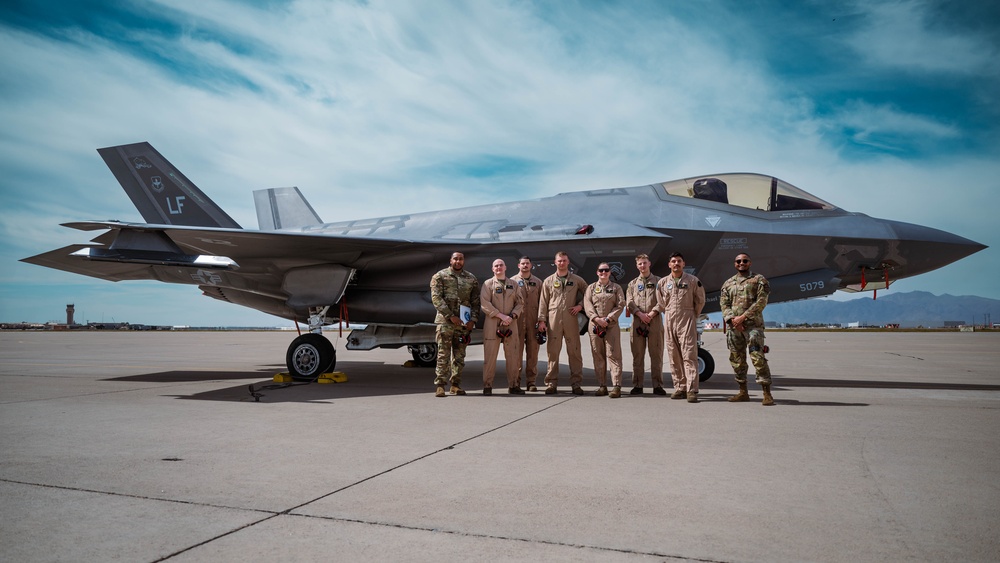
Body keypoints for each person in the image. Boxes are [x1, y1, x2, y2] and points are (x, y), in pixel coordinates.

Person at [720, 253, 774, 406]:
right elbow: (724, 304)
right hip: (734, 328)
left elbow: (761, 302)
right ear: (734, 263)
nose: (741, 263)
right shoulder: (728, 283)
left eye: (744, 261)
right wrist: (733, 320)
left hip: (753, 327)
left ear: (750, 263)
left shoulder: (759, 280)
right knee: (737, 360)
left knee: (757, 357)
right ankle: (743, 392)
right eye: (738, 261)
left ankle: (766, 393)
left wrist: (742, 318)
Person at [656, 252, 706, 403]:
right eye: (673, 261)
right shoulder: (663, 283)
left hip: (687, 319)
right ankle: (679, 388)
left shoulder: (692, 281)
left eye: (679, 261)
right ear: (669, 264)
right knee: (673, 356)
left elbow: (700, 300)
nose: (676, 264)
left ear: (684, 264)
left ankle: (691, 390)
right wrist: (670, 313)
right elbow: (661, 302)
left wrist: (692, 315)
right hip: (670, 319)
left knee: (689, 355)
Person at [537, 251, 588, 395]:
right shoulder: (548, 281)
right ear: (555, 262)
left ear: (568, 262)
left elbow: (589, 293)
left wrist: (580, 306)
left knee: (575, 352)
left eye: (564, 260)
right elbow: (543, 302)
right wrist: (541, 320)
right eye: (559, 261)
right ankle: (551, 383)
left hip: (571, 320)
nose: (562, 263)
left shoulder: (577, 280)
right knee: (552, 353)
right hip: (553, 320)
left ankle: (576, 384)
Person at [430, 252, 480, 397]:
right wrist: (450, 316)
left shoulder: (471, 278)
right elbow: (436, 298)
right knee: (443, 354)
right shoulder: (440, 276)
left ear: (464, 261)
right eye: (455, 259)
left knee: (459, 356)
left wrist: (473, 320)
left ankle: (455, 385)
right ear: (451, 260)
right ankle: (440, 385)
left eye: (461, 259)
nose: (458, 261)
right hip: (445, 322)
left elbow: (475, 301)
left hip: (463, 324)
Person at [480, 259, 525, 395]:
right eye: (496, 266)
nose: (499, 267)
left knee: (513, 356)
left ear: (505, 267)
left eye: (501, 265)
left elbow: (520, 303)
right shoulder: (488, 284)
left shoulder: (514, 284)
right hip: (493, 323)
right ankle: (487, 386)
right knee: (490, 357)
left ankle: (514, 385)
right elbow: (485, 303)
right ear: (492, 269)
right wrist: (501, 316)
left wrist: (511, 316)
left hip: (511, 323)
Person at [584, 262, 626, 397]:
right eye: (601, 270)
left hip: (611, 325)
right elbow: (587, 304)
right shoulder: (591, 288)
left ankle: (616, 386)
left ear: (609, 272)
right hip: (595, 325)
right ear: (597, 272)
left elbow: (620, 305)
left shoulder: (616, 288)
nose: (604, 272)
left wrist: (608, 319)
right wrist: (597, 319)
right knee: (598, 355)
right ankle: (602, 385)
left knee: (613, 355)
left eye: (606, 270)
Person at [625, 254, 665, 396]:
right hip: (637, 322)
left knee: (656, 355)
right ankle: (637, 385)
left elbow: (663, 300)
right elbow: (629, 301)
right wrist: (640, 314)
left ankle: (658, 385)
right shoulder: (632, 284)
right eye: (640, 264)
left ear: (650, 263)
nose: (642, 266)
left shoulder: (659, 282)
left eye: (644, 263)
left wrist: (652, 314)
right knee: (637, 355)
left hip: (654, 321)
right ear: (637, 266)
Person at [513, 256, 543, 392]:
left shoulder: (537, 282)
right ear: (518, 265)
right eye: (523, 263)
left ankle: (531, 382)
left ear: (531, 265)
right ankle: (516, 381)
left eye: (527, 263)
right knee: (516, 354)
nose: (525, 265)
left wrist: (542, 320)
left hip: (533, 321)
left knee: (533, 353)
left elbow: (543, 302)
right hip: (517, 322)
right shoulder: (512, 281)